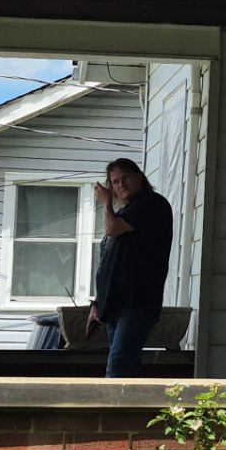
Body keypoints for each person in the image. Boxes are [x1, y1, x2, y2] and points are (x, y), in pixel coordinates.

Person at [84, 157, 174, 378]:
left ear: (140, 177)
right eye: (115, 182)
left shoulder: (151, 204)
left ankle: (109, 403)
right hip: (116, 304)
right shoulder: (128, 212)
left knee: (117, 368)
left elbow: (112, 228)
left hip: (137, 303)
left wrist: (106, 203)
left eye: (126, 178)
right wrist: (97, 304)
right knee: (126, 369)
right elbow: (109, 264)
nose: (121, 184)